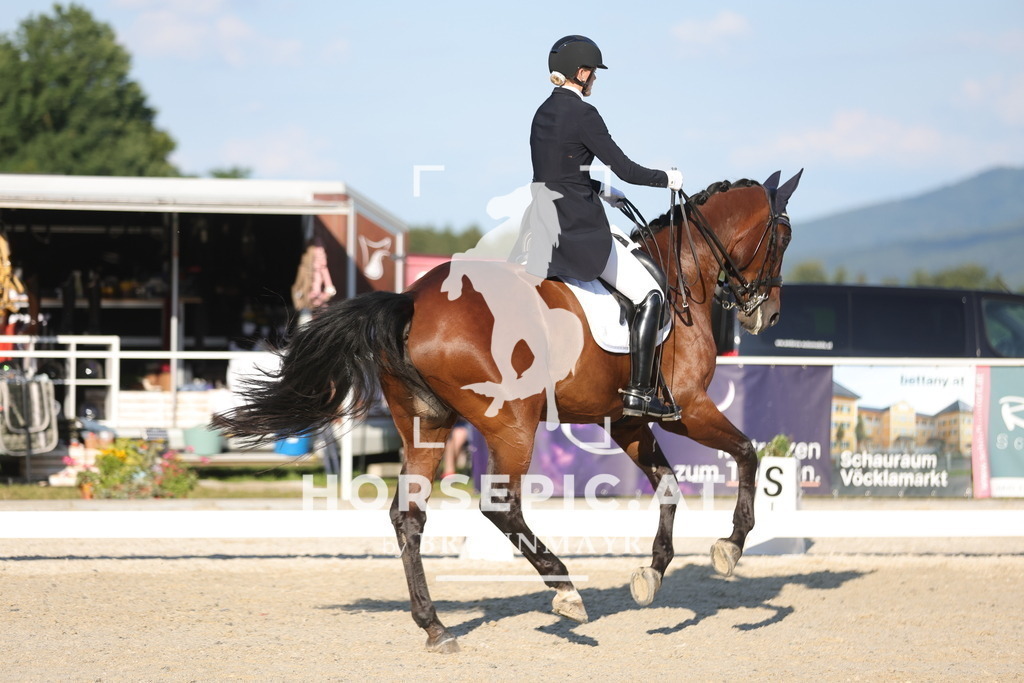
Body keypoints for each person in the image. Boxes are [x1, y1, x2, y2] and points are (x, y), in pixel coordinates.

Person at [527, 35, 683, 420]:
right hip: (580, 235)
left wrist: (599, 188)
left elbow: (557, 174)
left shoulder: (541, 114)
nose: (594, 80)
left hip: (544, 234)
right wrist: (668, 178)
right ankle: (640, 392)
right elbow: (628, 169)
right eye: (593, 73)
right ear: (581, 73)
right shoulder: (585, 115)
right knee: (651, 294)